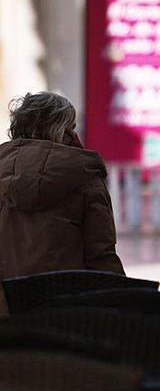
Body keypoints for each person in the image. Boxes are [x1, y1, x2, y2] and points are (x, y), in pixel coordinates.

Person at [0, 92, 125, 282]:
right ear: (63, 131)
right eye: (72, 127)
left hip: (7, 305)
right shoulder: (85, 178)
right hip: (63, 302)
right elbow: (101, 256)